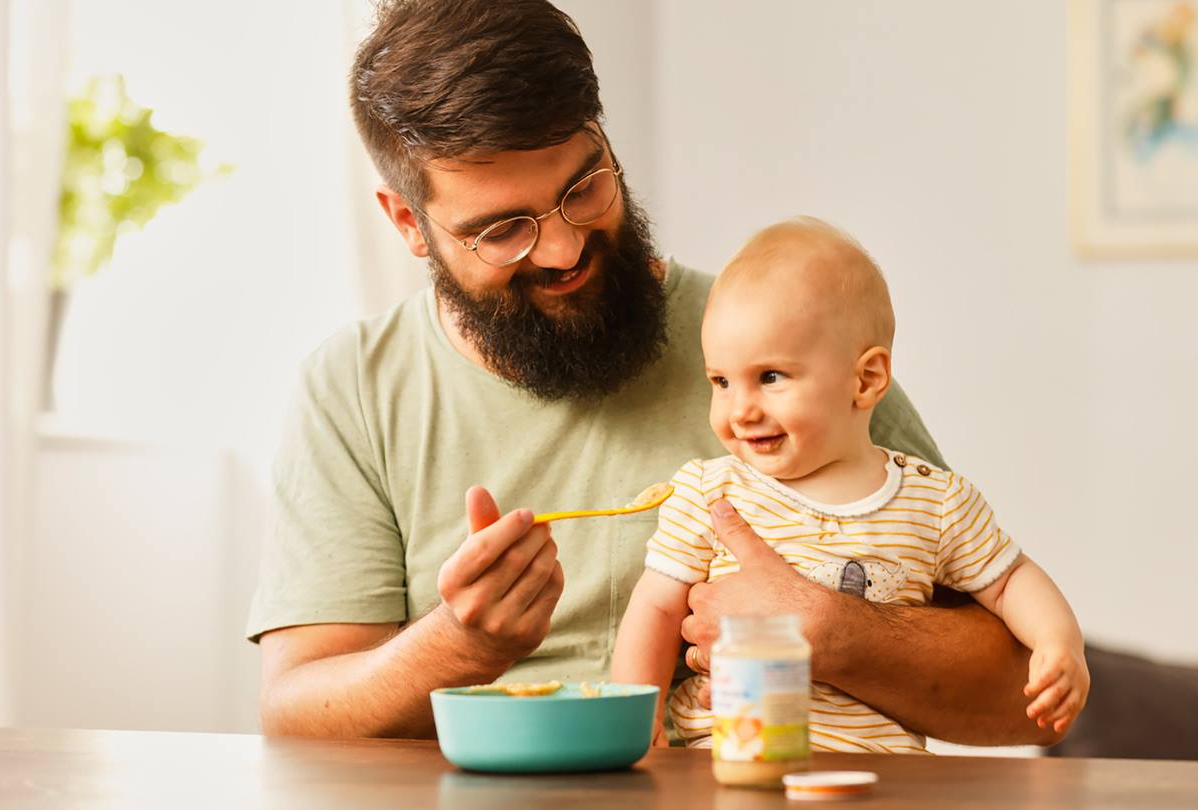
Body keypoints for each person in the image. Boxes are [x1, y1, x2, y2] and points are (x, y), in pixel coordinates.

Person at [248, 0, 1062, 746]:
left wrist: (836, 631)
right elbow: (295, 714)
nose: (564, 249)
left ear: (607, 142)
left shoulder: (782, 350)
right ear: (408, 224)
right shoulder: (352, 388)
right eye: (503, 230)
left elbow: (1018, 696)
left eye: (583, 188)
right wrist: (454, 646)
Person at [611, 219, 1089, 753]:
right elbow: (654, 608)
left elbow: (1009, 581)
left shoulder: (937, 504)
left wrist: (1058, 641)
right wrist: (637, 719)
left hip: (876, 779)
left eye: (770, 377)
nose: (739, 410)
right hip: (727, 762)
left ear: (865, 380)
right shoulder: (710, 492)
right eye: (721, 381)